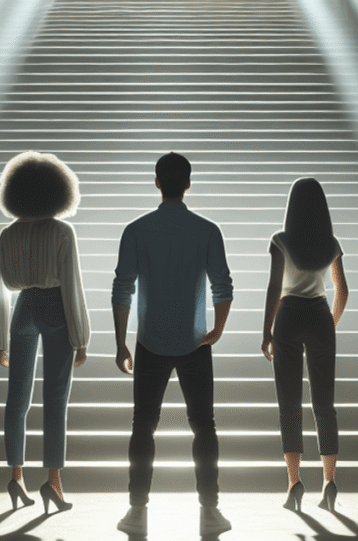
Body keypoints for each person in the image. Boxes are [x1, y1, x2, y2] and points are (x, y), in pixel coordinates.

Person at [112, 152, 234, 537]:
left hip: (150, 342)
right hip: (195, 342)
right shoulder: (207, 230)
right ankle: (210, 509)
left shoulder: (136, 229)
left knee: (142, 428)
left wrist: (120, 342)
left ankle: (136, 510)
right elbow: (223, 285)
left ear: (156, 182)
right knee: (204, 428)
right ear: (189, 183)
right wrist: (217, 328)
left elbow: (122, 289)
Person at [0, 151, 90, 514]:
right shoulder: (62, 231)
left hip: (22, 310)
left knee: (17, 399)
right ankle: (54, 482)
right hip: (55, 308)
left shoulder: (7, 233)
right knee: (55, 400)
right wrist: (81, 338)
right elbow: (72, 286)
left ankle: (16, 476)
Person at [260, 178, 348, 512]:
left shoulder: (280, 240)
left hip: (289, 315)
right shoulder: (331, 243)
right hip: (320, 316)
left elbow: (272, 288)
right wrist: (331, 324)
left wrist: (266, 331)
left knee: (290, 404)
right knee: (324, 404)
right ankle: (330, 482)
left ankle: (294, 484)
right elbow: (342, 289)